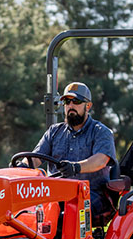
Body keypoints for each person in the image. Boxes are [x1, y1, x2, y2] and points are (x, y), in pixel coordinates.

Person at [32, 81, 117, 218]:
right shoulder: (54, 132)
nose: (70, 106)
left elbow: (101, 160)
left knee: (61, 217)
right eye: (67, 102)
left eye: (76, 101)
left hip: (91, 194)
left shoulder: (101, 132)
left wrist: (76, 167)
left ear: (88, 106)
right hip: (55, 194)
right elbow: (35, 158)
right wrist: (21, 166)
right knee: (26, 214)